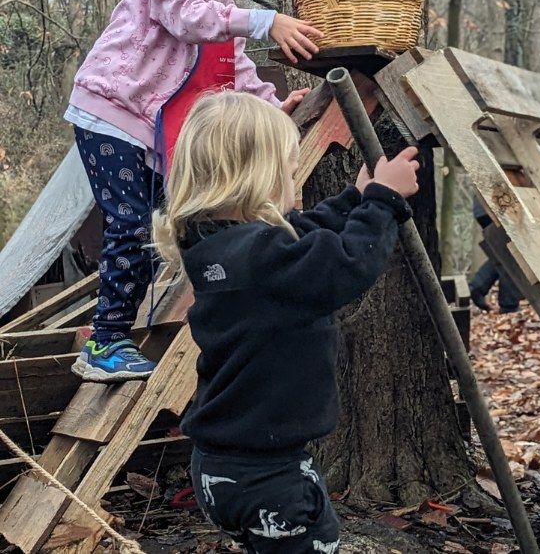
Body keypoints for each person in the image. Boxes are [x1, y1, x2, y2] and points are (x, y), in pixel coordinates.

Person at [66, 0, 321, 382]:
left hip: (156, 124)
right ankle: (104, 343)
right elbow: (185, 16)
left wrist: (270, 106)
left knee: (178, 220)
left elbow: (231, 63)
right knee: (131, 223)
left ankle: (142, 326)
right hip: (112, 109)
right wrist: (266, 19)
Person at [151, 91, 418, 553]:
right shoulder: (263, 256)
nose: (294, 177)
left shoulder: (213, 245)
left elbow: (301, 234)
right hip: (269, 478)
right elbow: (346, 265)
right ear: (258, 175)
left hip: (220, 467)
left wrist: (354, 198)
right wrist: (382, 202)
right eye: (289, 169)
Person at [467, 198, 520, 313]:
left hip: (485, 207)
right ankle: (508, 305)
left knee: (504, 253)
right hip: (498, 205)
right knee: (511, 254)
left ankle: (477, 287)